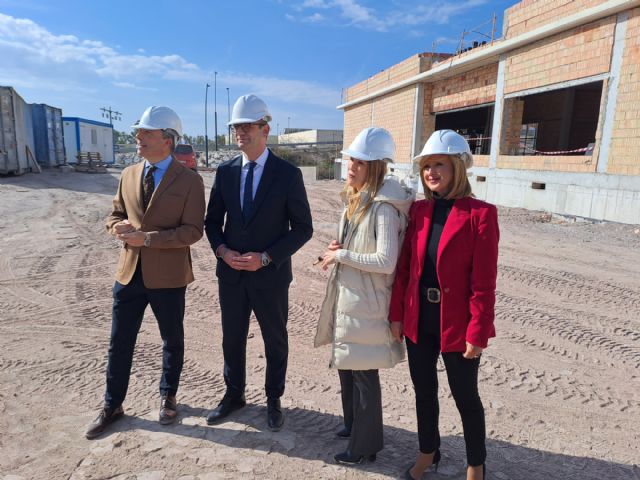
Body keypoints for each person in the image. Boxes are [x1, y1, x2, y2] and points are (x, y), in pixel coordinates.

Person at [85, 106, 206, 439]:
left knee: (171, 340)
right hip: (128, 273)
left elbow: (193, 231)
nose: (138, 137)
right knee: (119, 342)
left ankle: (168, 396)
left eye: (146, 132)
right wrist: (116, 228)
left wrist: (148, 239)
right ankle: (112, 404)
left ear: (167, 140)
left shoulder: (190, 181)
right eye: (138, 131)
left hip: (168, 276)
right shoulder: (128, 174)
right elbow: (115, 214)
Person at [389, 129, 499, 480]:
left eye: (439, 164)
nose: (431, 172)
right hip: (419, 318)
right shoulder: (420, 211)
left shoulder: (481, 214)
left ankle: (475, 464)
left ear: (457, 168)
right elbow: (405, 269)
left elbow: (484, 282)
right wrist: (397, 315)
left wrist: (477, 331)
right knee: (424, 392)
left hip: (457, 323)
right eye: (426, 166)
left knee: (466, 397)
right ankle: (428, 452)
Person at [204, 94, 313, 431]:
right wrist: (223, 252)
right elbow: (212, 223)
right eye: (236, 126)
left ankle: (273, 399)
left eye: (247, 126)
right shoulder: (225, 172)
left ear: (265, 129)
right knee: (231, 338)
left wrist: (266, 258)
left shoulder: (287, 174)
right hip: (232, 276)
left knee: (275, 340)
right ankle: (234, 394)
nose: (240, 132)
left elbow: (303, 228)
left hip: (270, 277)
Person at [314, 127, 414, 465]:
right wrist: (339, 247)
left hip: (369, 303)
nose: (351, 167)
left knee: (364, 375)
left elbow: (386, 262)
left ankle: (364, 446)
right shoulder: (356, 200)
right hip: (353, 299)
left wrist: (341, 256)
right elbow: (358, 245)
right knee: (348, 366)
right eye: (351, 161)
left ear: (376, 167)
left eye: (360, 162)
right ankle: (354, 426)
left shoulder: (383, 207)